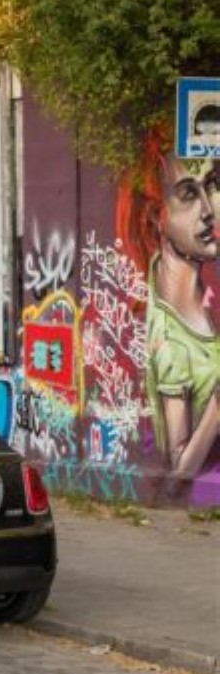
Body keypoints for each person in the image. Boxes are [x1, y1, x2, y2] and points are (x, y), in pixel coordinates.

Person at [115, 127, 220, 493]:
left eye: (211, 185)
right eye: (189, 194)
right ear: (156, 217)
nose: (208, 211)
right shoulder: (171, 344)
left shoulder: (190, 286)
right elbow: (178, 477)